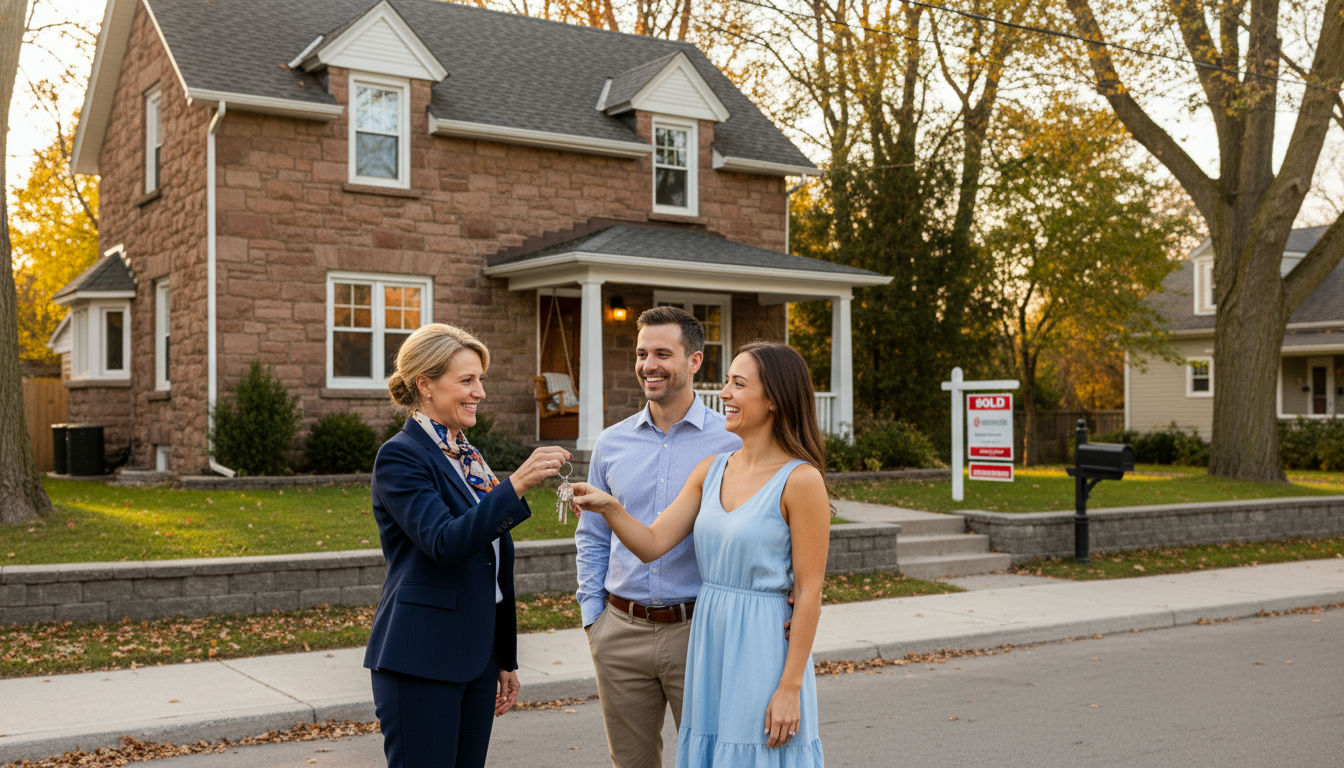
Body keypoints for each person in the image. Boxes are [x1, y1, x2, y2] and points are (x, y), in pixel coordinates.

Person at [573, 341, 831, 767]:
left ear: (774, 400)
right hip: (709, 638)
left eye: (738, 384)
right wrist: (609, 506)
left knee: (754, 753)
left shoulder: (801, 481)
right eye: (727, 381)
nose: (725, 393)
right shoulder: (712, 469)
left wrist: (789, 688)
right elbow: (653, 543)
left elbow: (809, 591)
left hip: (762, 643)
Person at [365, 322, 572, 768]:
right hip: (421, 660)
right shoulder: (402, 456)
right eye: (467, 380)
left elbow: (490, 563)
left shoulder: (467, 458)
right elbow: (445, 542)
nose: (480, 392)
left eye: (481, 380)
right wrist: (515, 484)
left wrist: (503, 656)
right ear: (425, 385)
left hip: (475, 659)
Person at [575, 306, 742, 767]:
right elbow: (591, 536)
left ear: (694, 361)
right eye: (642, 353)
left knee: (710, 759)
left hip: (699, 631)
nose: (649, 364)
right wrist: (594, 618)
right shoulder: (611, 443)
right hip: (620, 632)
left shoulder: (731, 443)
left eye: (663, 354)